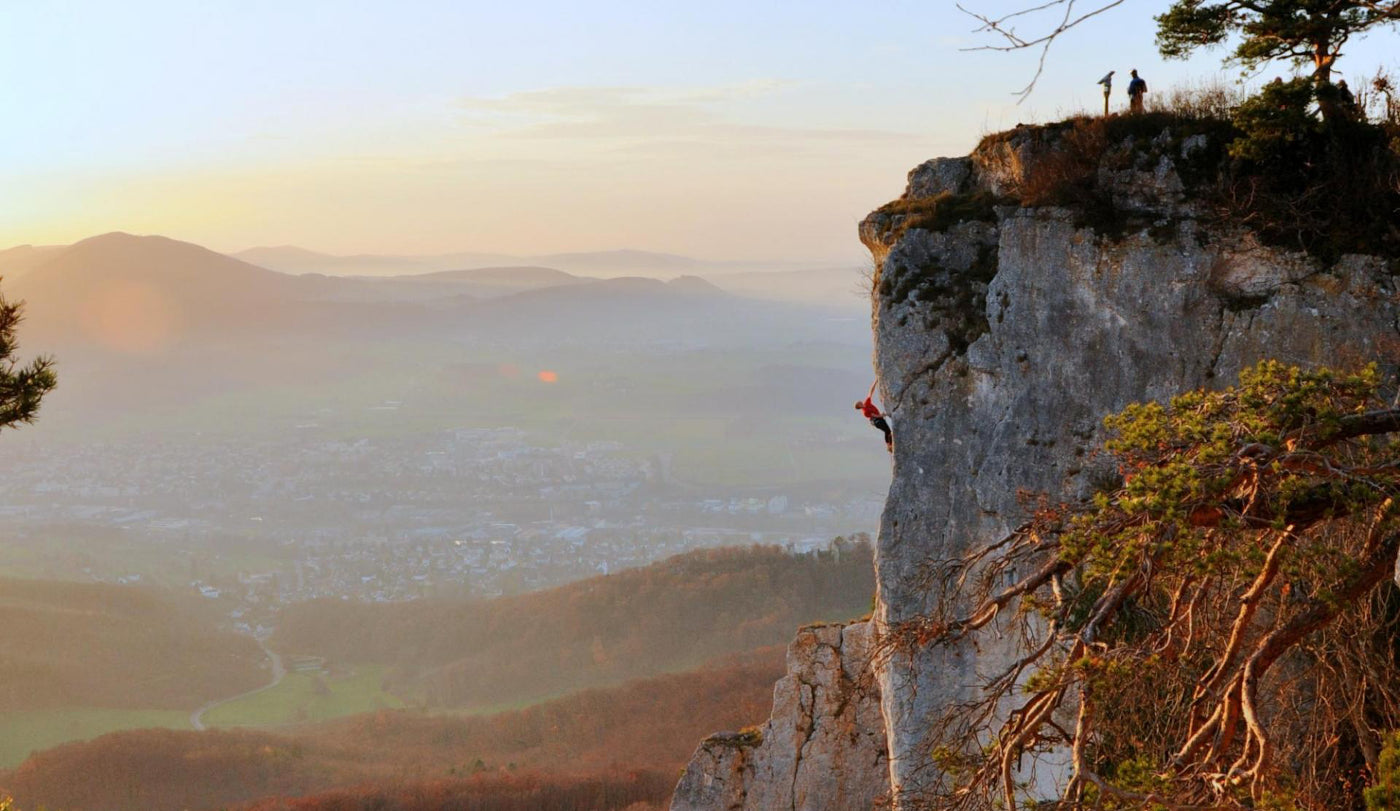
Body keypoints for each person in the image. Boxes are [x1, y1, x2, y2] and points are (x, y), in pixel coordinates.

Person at [855, 382, 892, 453]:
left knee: (888, 431)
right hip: (875, 421)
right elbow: (874, 415)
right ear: (859, 406)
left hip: (879, 418)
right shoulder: (865, 412)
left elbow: (870, 392)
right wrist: (883, 415)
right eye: (859, 403)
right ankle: (889, 445)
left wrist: (875, 382)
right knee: (887, 430)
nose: (860, 402)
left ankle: (889, 445)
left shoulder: (867, 402)